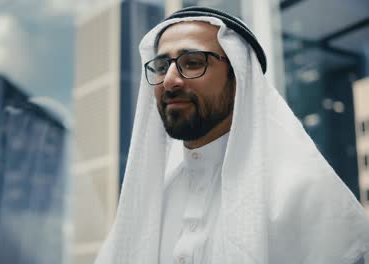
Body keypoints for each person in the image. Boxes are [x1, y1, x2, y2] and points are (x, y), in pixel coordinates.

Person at [95, 6, 369, 264]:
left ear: (239, 76)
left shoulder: (302, 194)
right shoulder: (150, 200)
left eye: (192, 62)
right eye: (162, 66)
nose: (169, 80)